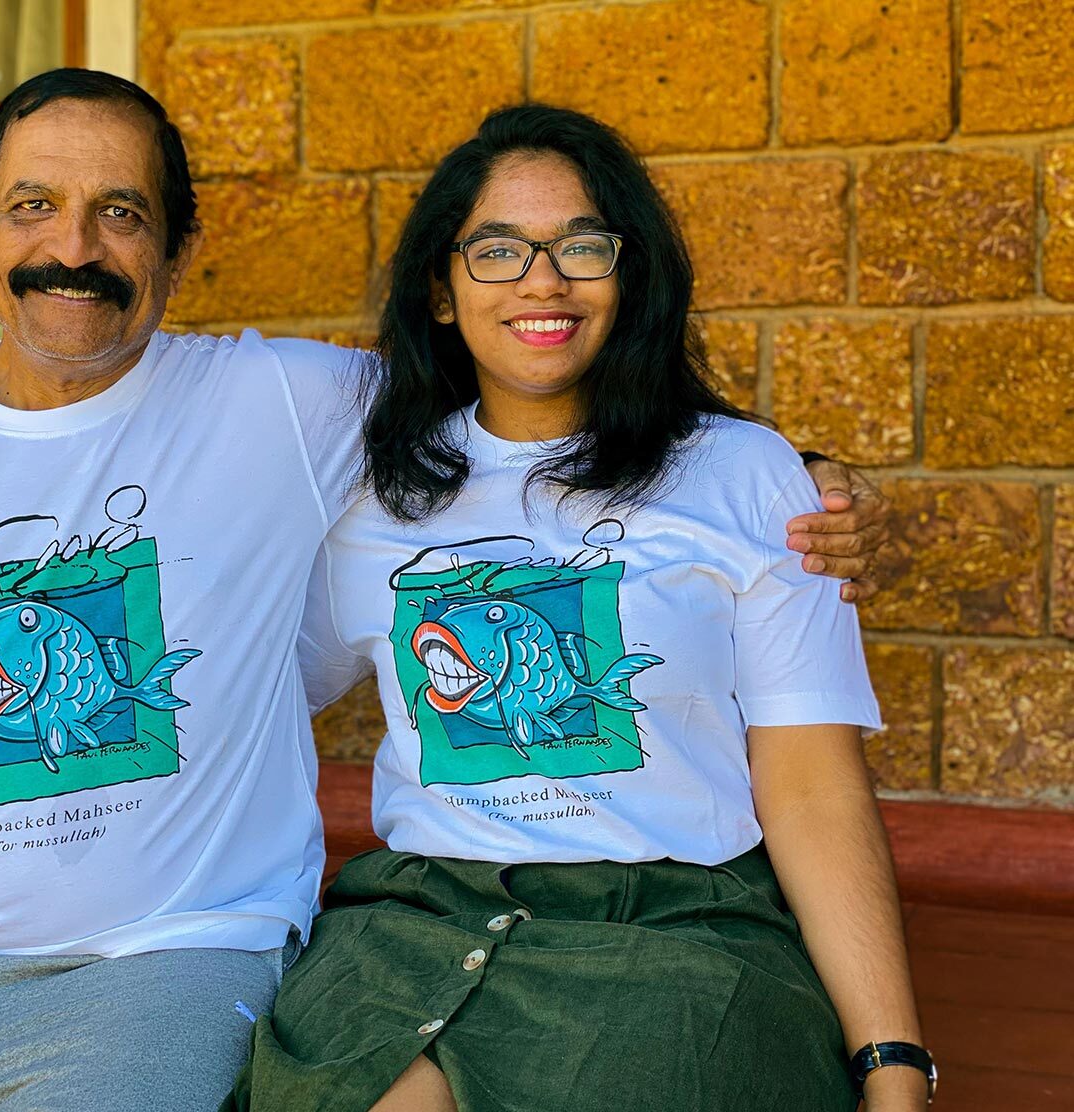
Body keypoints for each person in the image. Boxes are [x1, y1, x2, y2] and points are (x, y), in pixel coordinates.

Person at [0, 73, 889, 1112]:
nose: (73, 250)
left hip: (170, 958)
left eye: (123, 213)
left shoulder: (291, 402)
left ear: (181, 249)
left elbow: (538, 394)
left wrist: (792, 483)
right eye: (33, 208)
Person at [226, 105, 929, 1112]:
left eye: (580, 246)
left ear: (629, 272)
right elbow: (245, 688)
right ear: (441, 287)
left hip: (672, 934)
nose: (542, 280)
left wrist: (893, 1062)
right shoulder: (371, 494)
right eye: (499, 249)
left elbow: (814, 786)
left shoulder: (747, 476)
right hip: (416, 926)